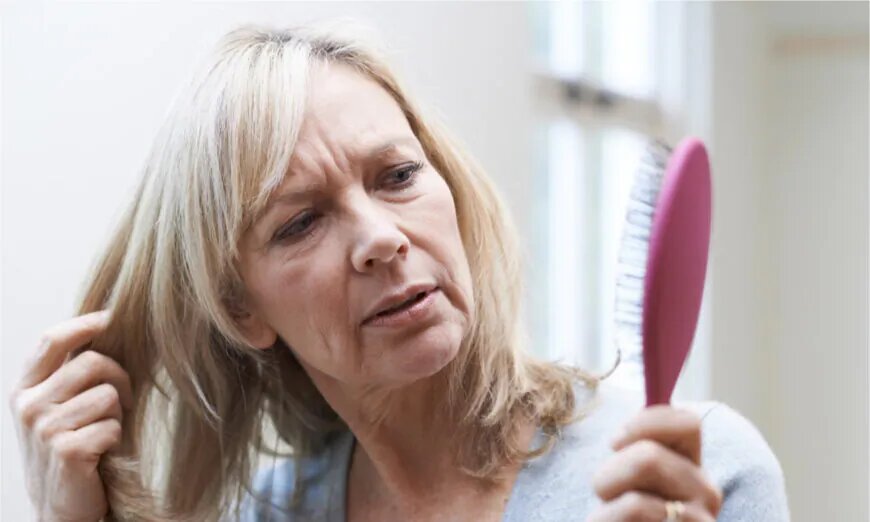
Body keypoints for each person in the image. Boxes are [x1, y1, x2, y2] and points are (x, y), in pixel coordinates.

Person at [8, 22, 790, 522]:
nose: (380, 237)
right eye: (302, 221)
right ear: (242, 307)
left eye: (397, 176)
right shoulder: (274, 514)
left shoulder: (701, 474)